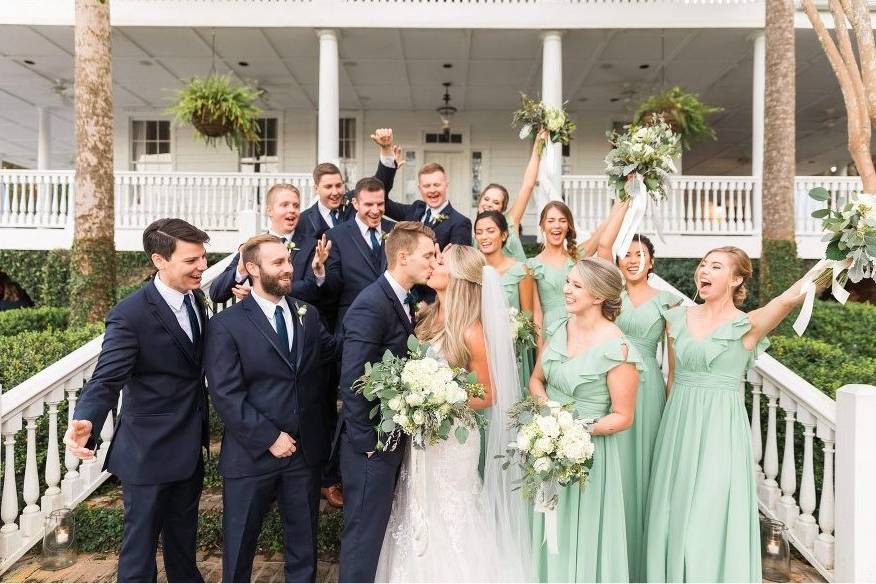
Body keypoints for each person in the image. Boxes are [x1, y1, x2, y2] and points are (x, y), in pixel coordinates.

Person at [645, 246, 822, 583]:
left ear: (736, 279)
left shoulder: (748, 325)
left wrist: (837, 257)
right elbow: (671, 378)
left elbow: (787, 299)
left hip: (720, 429)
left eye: (715, 266)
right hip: (678, 424)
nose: (703, 271)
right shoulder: (676, 317)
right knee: (675, 510)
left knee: (709, 511)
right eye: (702, 265)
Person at [64, 218, 211, 583]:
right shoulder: (129, 315)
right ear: (159, 260)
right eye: (191, 260)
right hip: (147, 451)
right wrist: (86, 420)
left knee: (183, 542)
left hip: (190, 445)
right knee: (138, 549)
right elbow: (106, 378)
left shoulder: (197, 299)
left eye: (203, 258)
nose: (202, 267)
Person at [375, 244, 531, 582]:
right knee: (417, 506)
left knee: (453, 513)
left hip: (453, 441)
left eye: (440, 261)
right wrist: (416, 403)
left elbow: (489, 394)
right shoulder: (428, 316)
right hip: (422, 436)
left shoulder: (473, 331)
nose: (432, 264)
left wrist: (441, 404)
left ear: (458, 275)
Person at [204, 234, 339, 582]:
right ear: (252, 268)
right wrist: (269, 436)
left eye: (289, 261)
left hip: (303, 454)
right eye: (278, 263)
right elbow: (226, 394)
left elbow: (333, 354)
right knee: (239, 552)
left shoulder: (307, 314)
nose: (288, 269)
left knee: (303, 549)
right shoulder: (225, 325)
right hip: (252, 455)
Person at [529, 257, 642, 583]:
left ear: (598, 296)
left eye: (576, 285)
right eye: (568, 281)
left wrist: (575, 431)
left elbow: (624, 416)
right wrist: (550, 418)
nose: (566, 289)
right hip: (548, 446)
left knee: (585, 530)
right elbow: (536, 380)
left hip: (589, 455)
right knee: (549, 525)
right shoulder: (558, 328)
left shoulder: (618, 348)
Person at [337, 221, 437, 583]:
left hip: (390, 439)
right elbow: (352, 380)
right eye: (428, 255)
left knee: (376, 531)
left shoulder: (404, 298)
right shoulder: (371, 305)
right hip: (370, 445)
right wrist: (367, 443)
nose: (433, 261)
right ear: (403, 256)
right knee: (363, 534)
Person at [595, 233, 681, 581]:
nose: (632, 259)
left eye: (639, 254)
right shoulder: (608, 297)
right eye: (626, 254)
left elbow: (674, 367)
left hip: (646, 394)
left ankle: (638, 558)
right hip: (607, 384)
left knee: (640, 469)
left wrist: (671, 406)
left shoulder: (669, 303)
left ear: (652, 262)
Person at [208, 183, 330, 308]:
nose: (292, 210)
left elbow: (311, 289)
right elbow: (217, 294)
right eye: (284, 205)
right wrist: (241, 270)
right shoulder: (253, 246)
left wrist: (260, 294)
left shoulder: (313, 246)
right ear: (269, 210)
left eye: (296, 206)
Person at [527, 200, 628, 344]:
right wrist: (539, 352)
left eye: (562, 220)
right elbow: (536, 314)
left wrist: (623, 196)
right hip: (550, 330)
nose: (556, 225)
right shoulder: (531, 265)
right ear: (542, 225)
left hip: (581, 324)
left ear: (568, 226)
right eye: (551, 220)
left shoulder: (578, 256)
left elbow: (602, 232)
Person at [474, 210, 534, 396]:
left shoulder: (520, 270)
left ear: (504, 234)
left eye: (490, 230)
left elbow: (528, 316)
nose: (484, 236)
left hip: (513, 350)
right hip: (481, 349)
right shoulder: (473, 271)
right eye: (479, 231)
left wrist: (513, 331)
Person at [324, 176, 397, 325]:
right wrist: (320, 272)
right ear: (355, 204)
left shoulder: (397, 231)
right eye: (369, 204)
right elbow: (332, 290)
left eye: (380, 204)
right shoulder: (336, 236)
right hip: (353, 322)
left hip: (393, 322)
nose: (376, 210)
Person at [298, 135, 398, 240]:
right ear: (316, 189)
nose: (335, 192)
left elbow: (378, 183)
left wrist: (386, 150)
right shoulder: (304, 220)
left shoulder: (353, 200)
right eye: (328, 187)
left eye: (338, 185)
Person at [475, 130, 548, 262]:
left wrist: (538, 144)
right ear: (479, 201)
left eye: (496, 202)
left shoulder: (510, 221)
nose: (489, 203)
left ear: (502, 209)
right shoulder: (475, 231)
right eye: (486, 199)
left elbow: (528, 185)